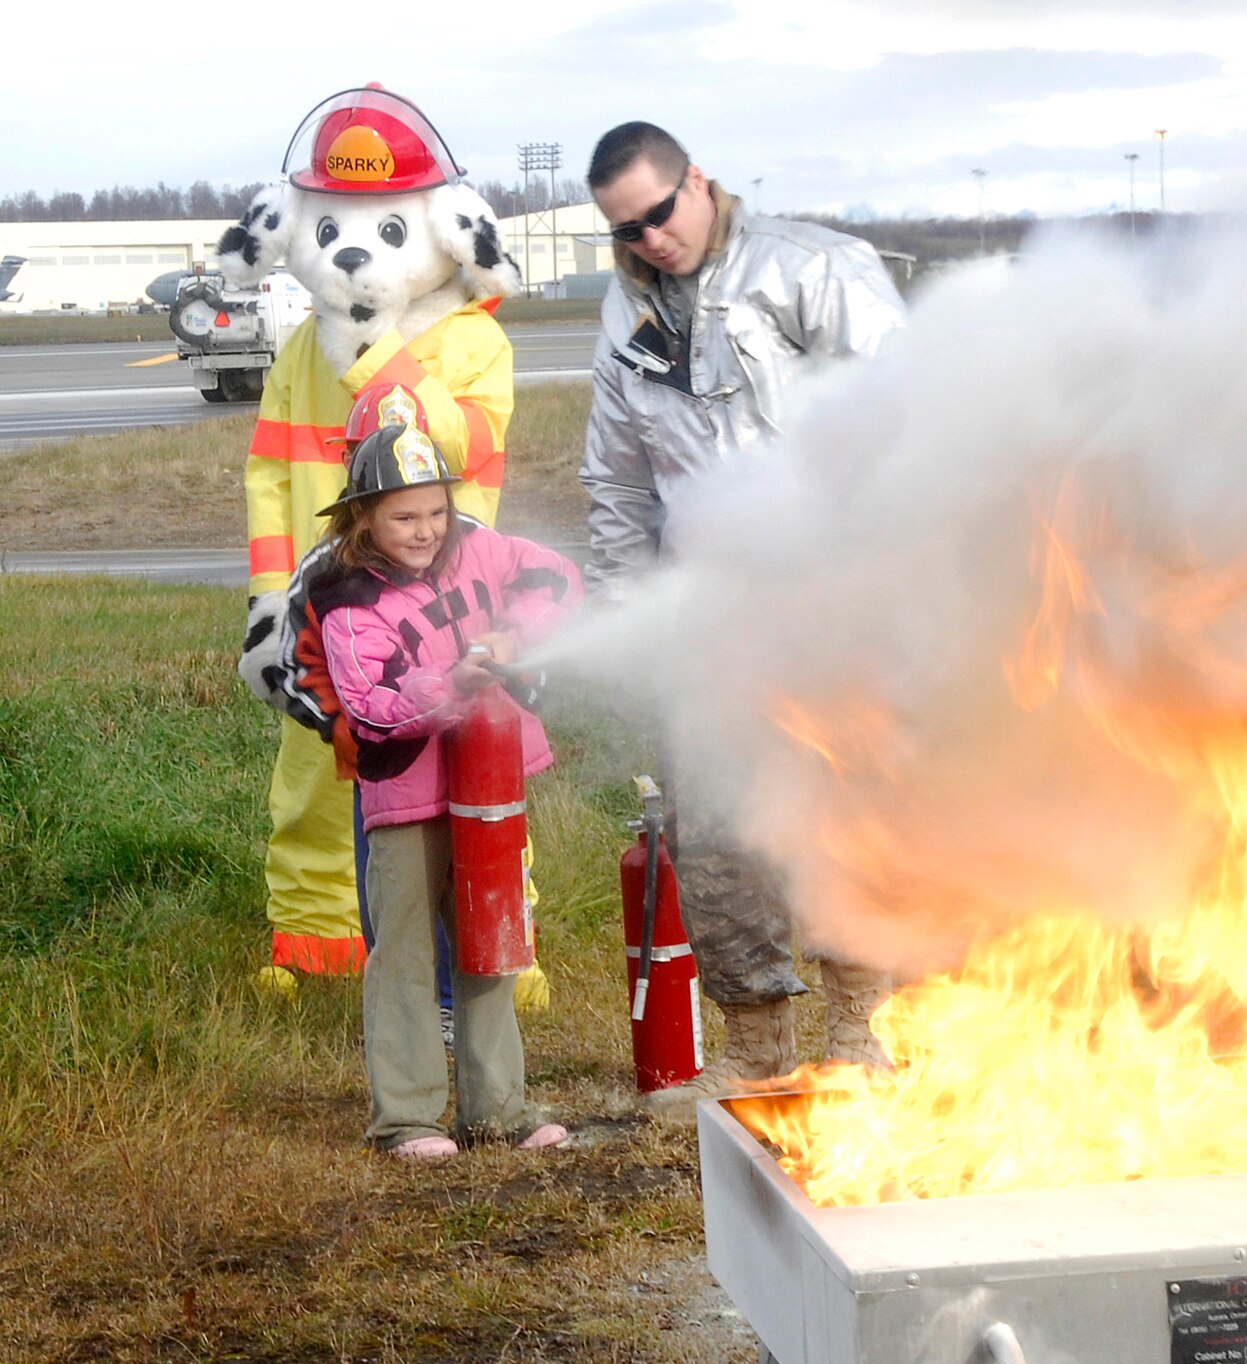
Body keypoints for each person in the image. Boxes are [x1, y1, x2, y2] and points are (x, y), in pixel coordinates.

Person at [580, 121, 906, 1093]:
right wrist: (621, 614)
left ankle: (857, 1030)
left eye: (657, 213)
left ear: (698, 182)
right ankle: (756, 1045)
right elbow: (617, 483)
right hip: (711, 617)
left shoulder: (814, 270)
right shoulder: (623, 318)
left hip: (834, 600)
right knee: (718, 832)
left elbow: (914, 417)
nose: (648, 239)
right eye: (624, 229)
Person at [221, 85, 523, 987]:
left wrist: (375, 347)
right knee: (315, 771)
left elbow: (462, 442)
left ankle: (498, 939)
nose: (356, 255)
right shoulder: (296, 354)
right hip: (332, 604)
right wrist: (271, 607)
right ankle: (317, 937)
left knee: (473, 767)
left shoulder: (470, 343)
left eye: (390, 230)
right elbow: (271, 481)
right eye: (338, 228)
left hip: (448, 602)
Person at [313, 421, 580, 1158]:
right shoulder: (344, 595)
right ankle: (407, 1117)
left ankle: (499, 1107)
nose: (426, 530)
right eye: (404, 516)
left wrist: (514, 638)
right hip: (406, 799)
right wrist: (449, 684)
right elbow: (368, 702)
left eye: (435, 511)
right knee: (401, 949)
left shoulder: (480, 548)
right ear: (362, 515)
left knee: (490, 938)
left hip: (489, 787)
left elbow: (557, 580)